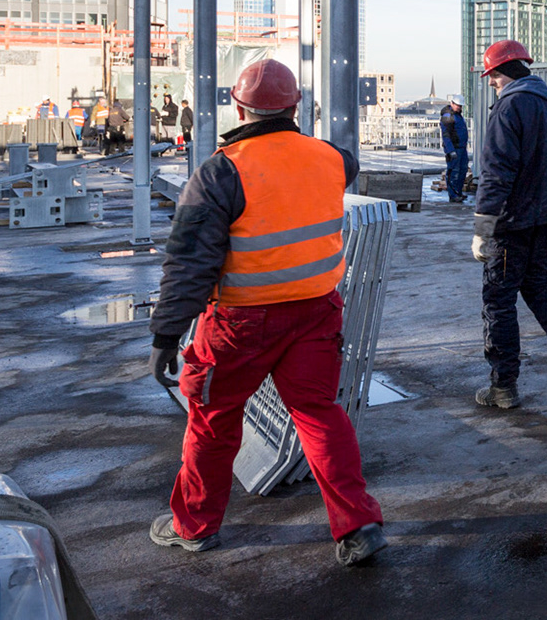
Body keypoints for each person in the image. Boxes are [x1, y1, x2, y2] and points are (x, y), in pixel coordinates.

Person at [144, 59, 385, 567]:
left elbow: (189, 263)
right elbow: (337, 169)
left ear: (239, 108)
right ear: (295, 106)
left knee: (212, 419)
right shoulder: (332, 160)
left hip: (241, 322)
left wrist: (166, 335)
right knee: (318, 414)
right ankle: (358, 524)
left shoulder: (220, 172)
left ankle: (194, 526)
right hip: (316, 313)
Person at [471, 39, 547, 411]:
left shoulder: (509, 107)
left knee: (499, 302)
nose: (492, 83)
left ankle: (503, 388)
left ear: (500, 72)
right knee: (540, 289)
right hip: (546, 220)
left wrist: (483, 228)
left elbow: (496, 172)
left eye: (492, 76)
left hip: (512, 225)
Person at [439, 100, 470, 205]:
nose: (459, 107)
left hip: (461, 148)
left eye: (460, 106)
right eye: (458, 105)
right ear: (452, 103)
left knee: (463, 170)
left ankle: (458, 193)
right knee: (453, 171)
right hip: (454, 148)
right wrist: (450, 150)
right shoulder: (448, 117)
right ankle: (453, 195)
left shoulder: (457, 115)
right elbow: (446, 135)